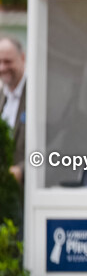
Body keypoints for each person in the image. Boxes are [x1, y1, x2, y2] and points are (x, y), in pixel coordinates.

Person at [0, 37, 26, 186]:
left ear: (22, 58)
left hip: (26, 195)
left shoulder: (37, 96)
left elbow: (52, 145)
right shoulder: (2, 97)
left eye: (8, 62)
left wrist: (22, 171)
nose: (2, 67)